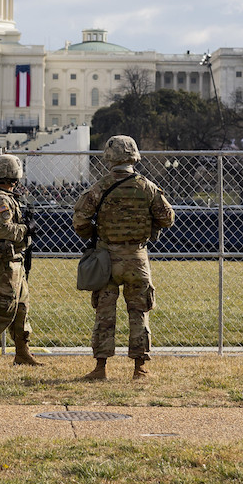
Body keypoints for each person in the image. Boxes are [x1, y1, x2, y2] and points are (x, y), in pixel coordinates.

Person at [72, 135, 175, 381]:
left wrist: (94, 235)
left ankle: (100, 368)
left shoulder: (100, 187)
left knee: (105, 313)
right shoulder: (147, 186)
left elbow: (80, 221)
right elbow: (167, 218)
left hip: (106, 258)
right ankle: (140, 369)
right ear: (134, 156)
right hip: (137, 258)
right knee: (139, 312)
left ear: (109, 158)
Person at [0, 154, 43, 367]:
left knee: (21, 307)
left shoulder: (4, 197)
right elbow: (2, 229)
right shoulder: (0, 200)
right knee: (2, 306)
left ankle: (22, 353)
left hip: (12, 261)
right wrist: (26, 229)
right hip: (0, 263)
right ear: (15, 176)